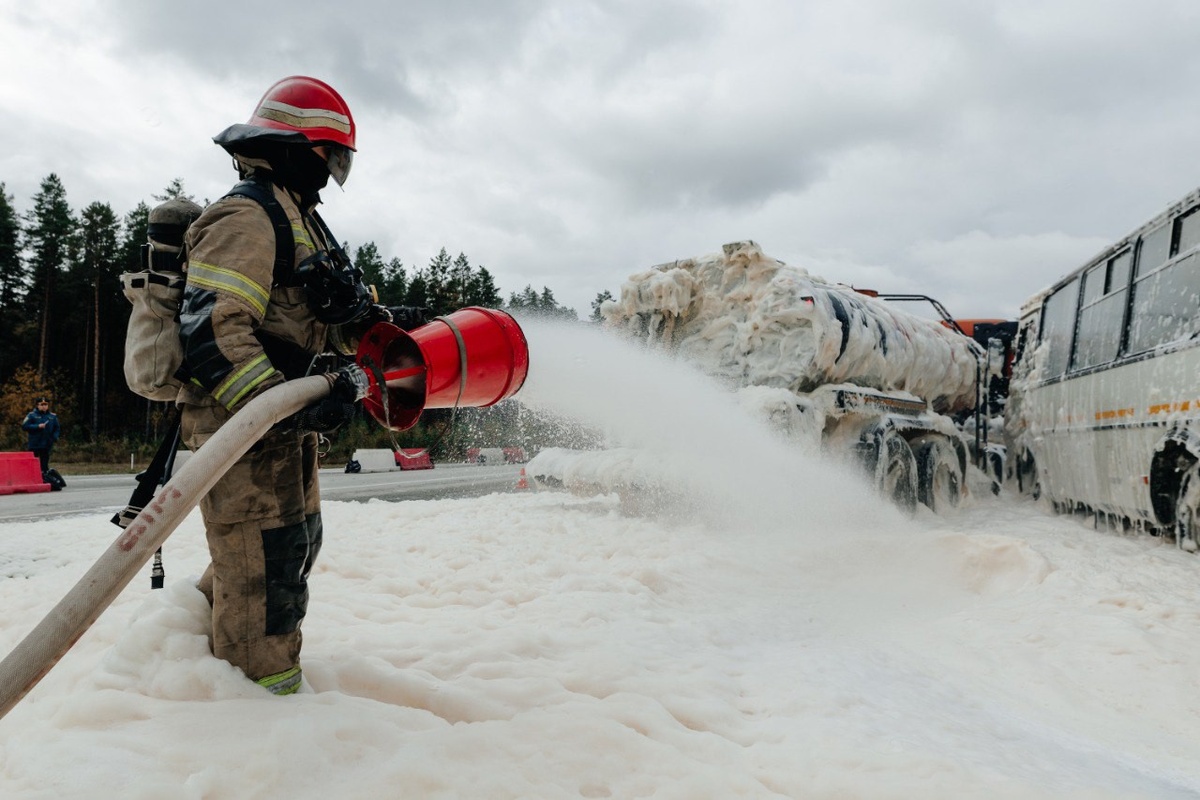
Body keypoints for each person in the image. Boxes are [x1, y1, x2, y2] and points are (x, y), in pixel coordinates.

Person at [177, 76, 423, 695]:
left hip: (276, 430)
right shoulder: (247, 217)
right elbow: (214, 329)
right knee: (263, 568)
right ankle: (255, 713)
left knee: (289, 548)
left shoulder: (301, 221)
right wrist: (279, 404)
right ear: (292, 147)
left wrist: (380, 327)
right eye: (330, 156)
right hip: (242, 429)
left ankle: (187, 663)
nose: (333, 173)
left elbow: (310, 327)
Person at [22, 397, 60, 473]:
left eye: (46, 404)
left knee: (44, 464)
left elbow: (57, 428)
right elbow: (24, 426)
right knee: (32, 463)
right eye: (42, 404)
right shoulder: (31, 415)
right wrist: (37, 426)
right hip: (34, 443)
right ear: (37, 405)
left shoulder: (52, 416)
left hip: (46, 443)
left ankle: (44, 477)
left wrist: (54, 437)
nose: (44, 406)